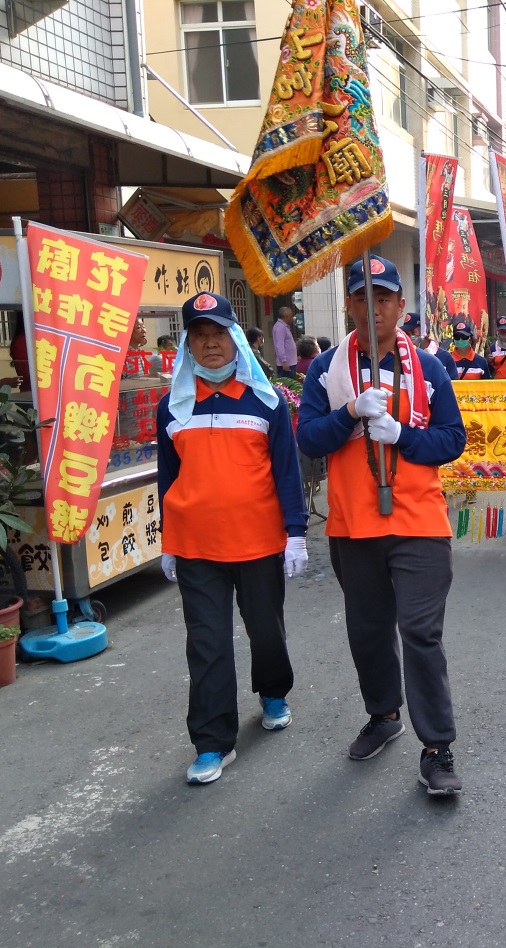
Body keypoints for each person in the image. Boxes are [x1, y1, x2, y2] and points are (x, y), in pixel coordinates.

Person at [296, 255, 467, 797]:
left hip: (419, 522)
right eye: (362, 297)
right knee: (368, 632)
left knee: (420, 631)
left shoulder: (431, 369)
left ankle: (438, 747)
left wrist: (403, 437)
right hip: (352, 525)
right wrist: (349, 414)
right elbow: (308, 439)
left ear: (400, 305)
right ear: (348, 304)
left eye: (385, 297)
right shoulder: (326, 369)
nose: (374, 308)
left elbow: (453, 440)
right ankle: (384, 714)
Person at [156, 292, 308, 785]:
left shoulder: (265, 401)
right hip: (197, 546)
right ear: (189, 345)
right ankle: (212, 741)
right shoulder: (172, 407)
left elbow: (287, 471)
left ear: (235, 340)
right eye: (200, 336)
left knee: (265, 629)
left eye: (219, 334)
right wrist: (169, 539)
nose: (211, 345)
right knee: (207, 644)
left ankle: (273, 690)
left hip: (259, 542)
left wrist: (297, 533)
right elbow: (168, 477)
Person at [273, 306, 298, 378]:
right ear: (286, 316)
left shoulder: (283, 326)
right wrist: (284, 361)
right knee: (287, 386)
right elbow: (279, 345)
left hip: (290, 362)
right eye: (291, 316)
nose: (292, 318)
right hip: (286, 363)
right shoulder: (280, 327)